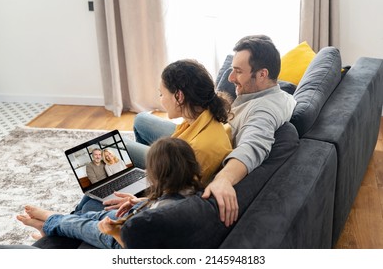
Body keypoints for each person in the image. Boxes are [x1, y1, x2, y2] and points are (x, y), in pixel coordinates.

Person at [133, 35, 297, 227]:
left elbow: (253, 146)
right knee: (141, 119)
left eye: (238, 71)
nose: (230, 78)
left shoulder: (264, 111)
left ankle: (152, 177)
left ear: (262, 74)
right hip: (205, 129)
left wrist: (224, 179)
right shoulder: (277, 94)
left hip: (200, 146)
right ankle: (150, 178)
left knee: (116, 150)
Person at [75, 59, 233, 213]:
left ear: (179, 96)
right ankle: (138, 178)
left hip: (171, 182)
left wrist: (138, 200)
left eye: (161, 94)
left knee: (117, 147)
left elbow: (175, 199)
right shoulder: (204, 116)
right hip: (183, 148)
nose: (160, 100)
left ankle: (142, 180)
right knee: (141, 119)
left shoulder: (197, 149)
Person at [17, 137, 203, 249]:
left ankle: (51, 219)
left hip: (123, 239)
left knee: (81, 224)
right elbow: (167, 203)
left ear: (157, 173)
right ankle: (48, 228)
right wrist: (140, 201)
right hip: (142, 217)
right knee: (99, 213)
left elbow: (137, 250)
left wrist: (113, 232)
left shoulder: (160, 214)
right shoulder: (194, 191)